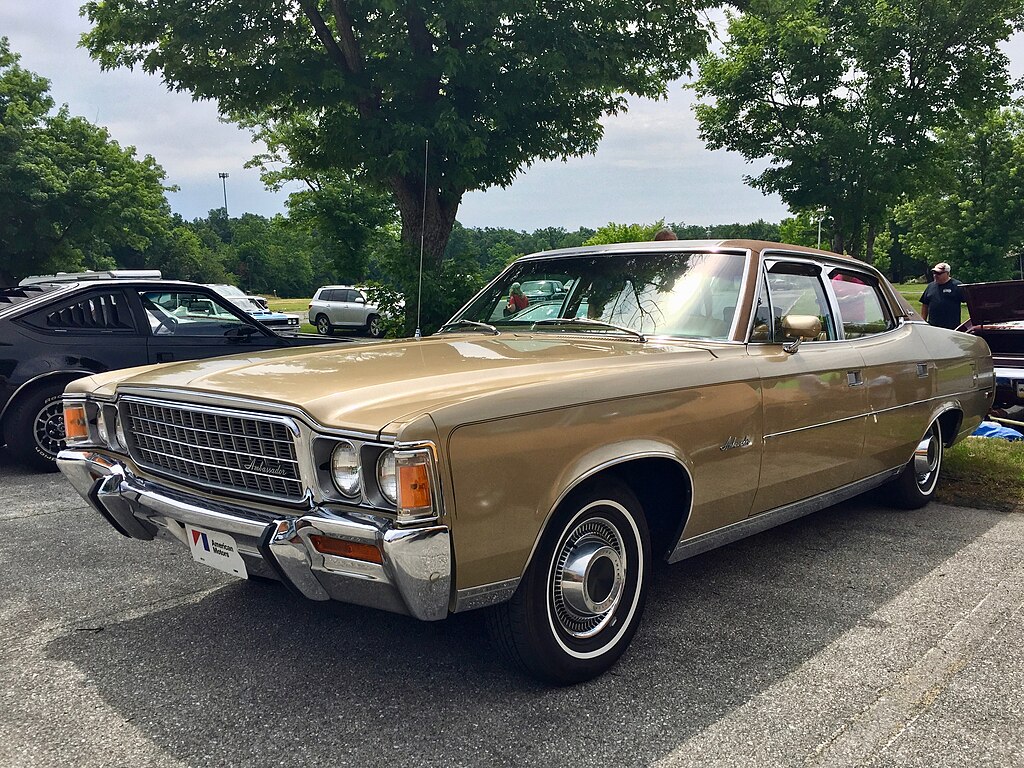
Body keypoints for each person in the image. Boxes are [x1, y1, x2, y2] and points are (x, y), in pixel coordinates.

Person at [919, 262, 964, 330]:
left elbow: (970, 302)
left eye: (939, 273)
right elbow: (925, 304)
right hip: (933, 327)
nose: (935, 275)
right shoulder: (930, 286)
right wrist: (923, 321)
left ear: (947, 273)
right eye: (934, 273)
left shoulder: (957, 285)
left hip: (951, 327)